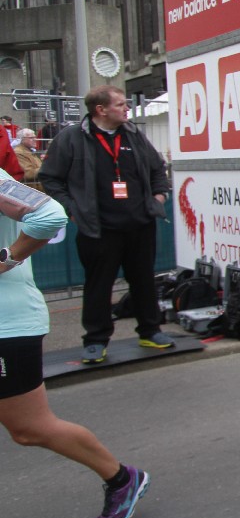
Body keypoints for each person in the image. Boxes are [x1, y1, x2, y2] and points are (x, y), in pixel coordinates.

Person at [0, 170, 151, 518]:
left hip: (8, 325)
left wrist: (7, 258)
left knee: (29, 428)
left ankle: (121, 479)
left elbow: (50, 215)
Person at [39, 85, 173, 364]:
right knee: (98, 285)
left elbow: (157, 168)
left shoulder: (134, 135)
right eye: (120, 104)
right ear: (100, 109)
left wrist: (158, 198)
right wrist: (71, 208)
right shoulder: (72, 138)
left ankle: (150, 331)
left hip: (139, 224)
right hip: (98, 228)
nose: (127, 109)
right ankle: (96, 340)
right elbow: (50, 178)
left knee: (144, 281)